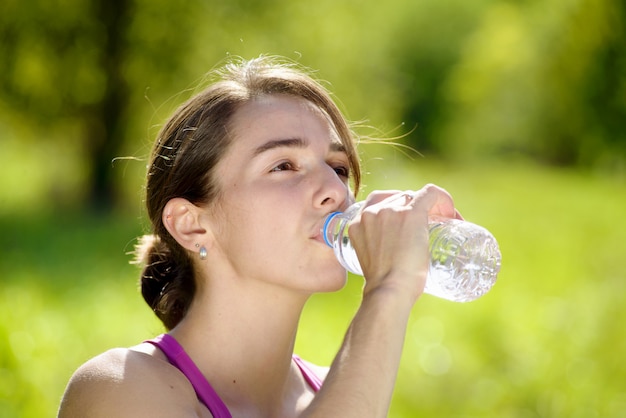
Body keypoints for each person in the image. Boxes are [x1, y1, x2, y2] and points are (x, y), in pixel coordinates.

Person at [58, 55, 461, 417]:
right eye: (284, 165)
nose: (336, 192)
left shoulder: (341, 391)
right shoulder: (121, 389)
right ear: (190, 224)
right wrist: (387, 291)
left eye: (337, 167)